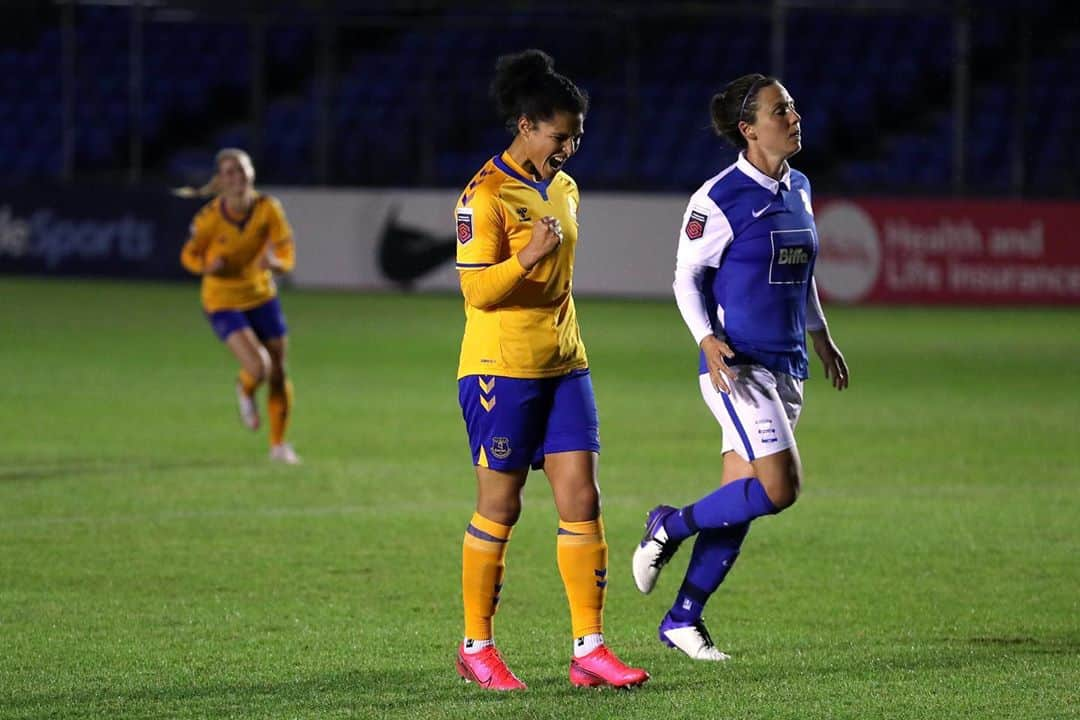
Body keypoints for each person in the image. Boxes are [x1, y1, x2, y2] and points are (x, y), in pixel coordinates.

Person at [631, 74, 849, 661]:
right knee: (780, 488)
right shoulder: (718, 198)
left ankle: (683, 619)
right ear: (749, 129)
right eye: (782, 110)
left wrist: (821, 336)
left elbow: (799, 274)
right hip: (739, 365)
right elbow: (685, 276)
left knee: (743, 494)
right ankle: (668, 525)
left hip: (790, 366)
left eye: (794, 106)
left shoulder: (799, 186)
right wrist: (706, 340)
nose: (794, 115)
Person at [453, 49, 649, 691]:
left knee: (583, 499)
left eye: (579, 135)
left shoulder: (564, 189)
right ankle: (476, 645)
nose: (571, 146)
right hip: (499, 370)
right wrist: (529, 256)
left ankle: (589, 649)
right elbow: (478, 292)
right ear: (527, 124)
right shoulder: (482, 195)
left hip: (566, 364)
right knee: (501, 506)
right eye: (563, 135)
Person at [179, 148, 301, 465]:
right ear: (221, 180)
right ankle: (245, 389)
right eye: (230, 172)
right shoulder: (208, 218)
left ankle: (278, 446)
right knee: (260, 367)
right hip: (222, 300)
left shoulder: (268, 209)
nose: (238, 176)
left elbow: (288, 255)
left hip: (261, 295)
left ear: (252, 173)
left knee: (279, 371)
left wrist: (275, 263)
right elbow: (188, 255)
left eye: (243, 169)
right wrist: (208, 265)